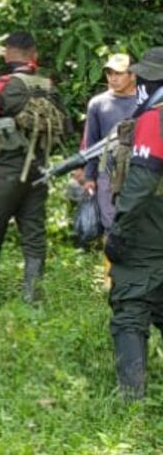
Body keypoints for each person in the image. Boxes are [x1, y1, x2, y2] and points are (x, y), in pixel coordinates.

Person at [0, 32, 67, 302]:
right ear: (34, 55)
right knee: (34, 232)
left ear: (7, 54)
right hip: (38, 170)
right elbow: (65, 127)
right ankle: (32, 294)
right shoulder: (48, 86)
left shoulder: (2, 85)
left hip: (4, 171)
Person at [104, 47, 163, 399]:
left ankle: (131, 398)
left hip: (151, 224)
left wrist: (120, 230)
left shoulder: (154, 118)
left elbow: (141, 182)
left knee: (130, 305)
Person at [75, 54, 138, 231]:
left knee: (140, 223)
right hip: (107, 172)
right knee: (110, 223)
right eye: (109, 73)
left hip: (138, 170)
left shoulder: (146, 101)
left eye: (118, 73)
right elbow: (91, 142)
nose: (113, 78)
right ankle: (111, 258)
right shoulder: (98, 103)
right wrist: (89, 177)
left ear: (132, 75)